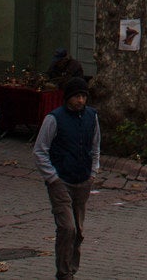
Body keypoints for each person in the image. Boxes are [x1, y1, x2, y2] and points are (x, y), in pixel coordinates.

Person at [33, 76, 100, 280]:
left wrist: (93, 173)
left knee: (78, 231)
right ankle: (64, 273)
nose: (80, 101)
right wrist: (52, 177)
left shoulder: (91, 117)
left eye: (83, 96)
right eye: (77, 97)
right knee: (67, 228)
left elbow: (95, 147)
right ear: (68, 98)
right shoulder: (54, 119)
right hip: (61, 182)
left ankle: (71, 268)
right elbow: (40, 151)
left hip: (83, 181)